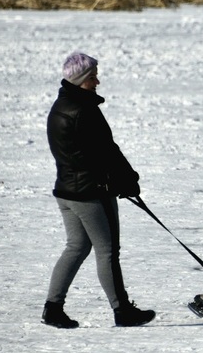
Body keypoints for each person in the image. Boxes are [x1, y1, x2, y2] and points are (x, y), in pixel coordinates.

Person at [42, 52, 155, 328]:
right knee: (108, 251)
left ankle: (52, 308)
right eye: (92, 77)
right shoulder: (84, 111)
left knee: (77, 247)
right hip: (90, 193)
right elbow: (106, 152)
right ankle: (122, 310)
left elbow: (88, 154)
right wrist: (126, 180)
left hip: (66, 191)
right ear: (79, 80)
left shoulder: (60, 106)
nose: (97, 82)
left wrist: (120, 180)